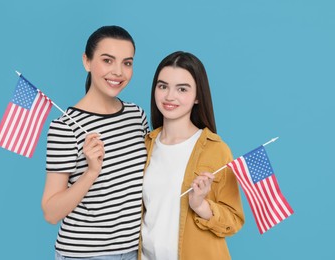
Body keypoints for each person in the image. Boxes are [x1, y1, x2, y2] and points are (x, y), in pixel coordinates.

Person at [41, 25, 149, 260]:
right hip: (86, 255)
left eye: (127, 63)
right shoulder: (65, 127)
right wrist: (91, 172)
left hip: (135, 251)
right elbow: (51, 212)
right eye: (107, 60)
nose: (118, 72)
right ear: (87, 62)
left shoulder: (136, 116)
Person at [140, 51, 245, 260]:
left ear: (197, 96)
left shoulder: (216, 150)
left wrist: (200, 205)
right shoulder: (145, 145)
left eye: (182, 89)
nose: (170, 96)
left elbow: (233, 220)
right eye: (163, 86)